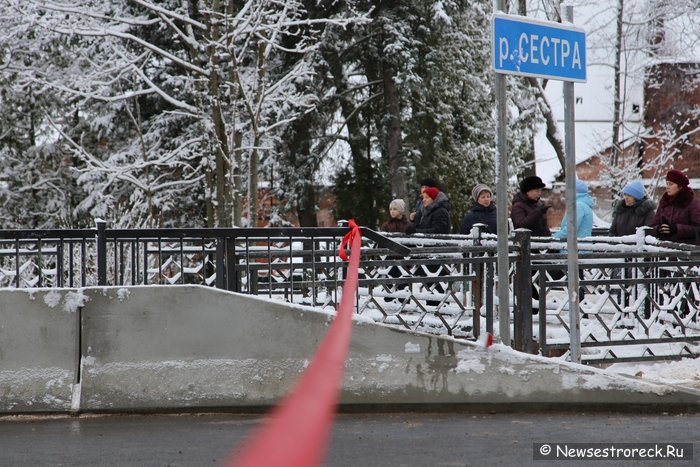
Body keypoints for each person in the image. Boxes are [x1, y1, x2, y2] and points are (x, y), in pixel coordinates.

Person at [649, 169, 700, 245]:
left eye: (671, 184)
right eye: (667, 184)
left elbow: (698, 229)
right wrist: (658, 229)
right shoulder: (664, 202)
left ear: (680, 187)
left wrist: (676, 229)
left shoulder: (692, 203)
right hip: (665, 250)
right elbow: (652, 226)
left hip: (686, 251)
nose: (667, 187)